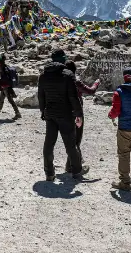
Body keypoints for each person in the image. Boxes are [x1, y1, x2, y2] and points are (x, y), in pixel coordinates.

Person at [37, 49, 85, 181]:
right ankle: (76, 171)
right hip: (65, 114)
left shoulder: (43, 76)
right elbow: (73, 97)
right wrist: (78, 114)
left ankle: (49, 173)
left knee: (49, 144)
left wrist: (43, 111)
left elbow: (41, 96)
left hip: (50, 114)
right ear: (63, 59)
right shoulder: (68, 74)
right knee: (70, 144)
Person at [66, 61, 97, 173]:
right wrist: (96, 83)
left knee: (70, 139)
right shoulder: (76, 82)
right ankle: (75, 166)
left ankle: (69, 164)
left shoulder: (62, 81)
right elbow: (90, 91)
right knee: (77, 139)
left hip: (65, 113)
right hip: (77, 114)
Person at [0, 55, 22, 120]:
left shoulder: (3, 68)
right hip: (5, 87)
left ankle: (17, 113)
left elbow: (5, 78)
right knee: (1, 100)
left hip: (6, 87)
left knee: (10, 100)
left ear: (0, 62)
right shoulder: (5, 67)